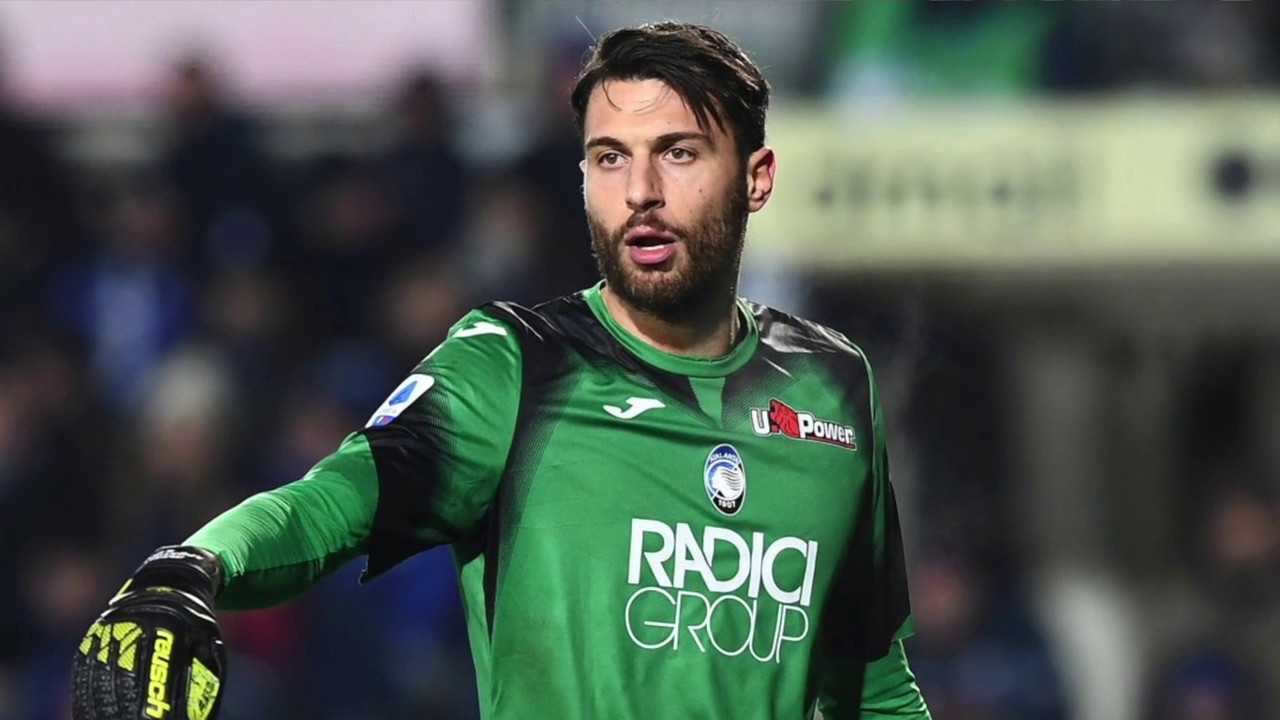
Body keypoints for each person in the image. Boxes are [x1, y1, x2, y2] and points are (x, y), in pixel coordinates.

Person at [71, 22, 931, 720]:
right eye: (609, 157)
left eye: (678, 153)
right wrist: (193, 565)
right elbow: (333, 502)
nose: (639, 190)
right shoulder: (518, 364)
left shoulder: (832, 387)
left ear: (756, 178)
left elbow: (874, 687)